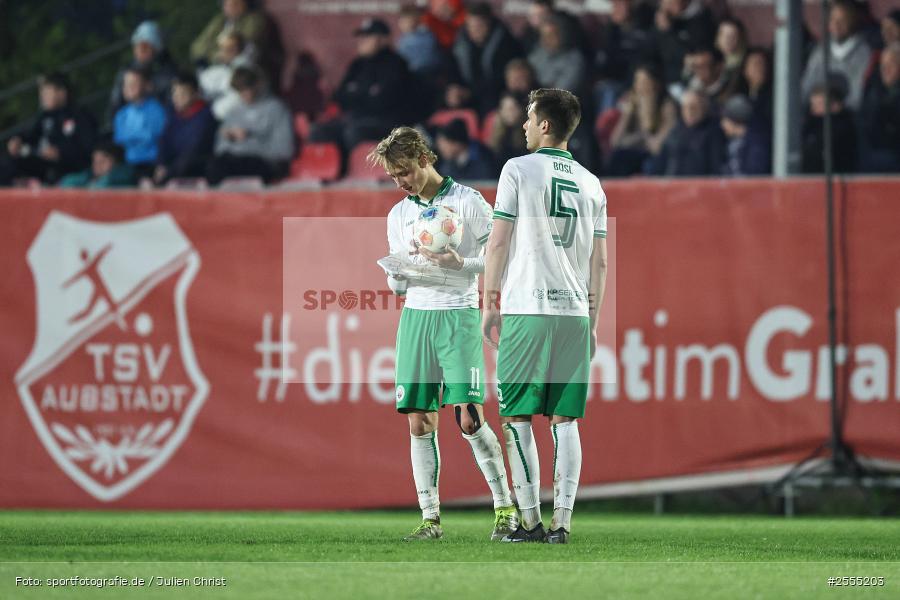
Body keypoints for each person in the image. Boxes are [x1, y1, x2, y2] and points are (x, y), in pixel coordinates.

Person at [368, 126, 519, 542]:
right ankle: (430, 519)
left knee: (469, 418)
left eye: (402, 172)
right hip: (416, 317)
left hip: (458, 315)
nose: (399, 182)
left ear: (423, 158)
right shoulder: (399, 215)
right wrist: (395, 278)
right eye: (393, 176)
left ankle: (505, 509)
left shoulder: (468, 202)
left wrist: (459, 265)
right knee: (418, 421)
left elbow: (495, 259)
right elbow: (398, 285)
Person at [482, 88, 608, 544]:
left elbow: (497, 243)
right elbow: (601, 263)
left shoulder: (517, 169)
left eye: (529, 118)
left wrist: (490, 302)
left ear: (545, 126)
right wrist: (592, 322)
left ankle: (530, 522)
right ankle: (564, 524)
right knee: (565, 422)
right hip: (574, 314)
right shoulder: (593, 183)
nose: (524, 126)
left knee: (516, 417)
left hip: (528, 308)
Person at [310, 18, 414, 154]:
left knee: (353, 132)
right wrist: (365, 95)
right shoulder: (357, 64)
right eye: (361, 36)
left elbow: (384, 101)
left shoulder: (396, 64)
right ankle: (331, 173)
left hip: (386, 123)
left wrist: (355, 94)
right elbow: (339, 97)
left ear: (384, 39)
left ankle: (358, 172)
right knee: (319, 130)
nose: (362, 41)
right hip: (355, 119)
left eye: (368, 36)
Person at [1, 72, 95, 185]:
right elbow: (31, 136)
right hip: (46, 165)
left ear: (62, 93)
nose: (42, 97)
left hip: (71, 168)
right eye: (41, 93)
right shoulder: (45, 116)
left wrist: (60, 153)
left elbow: (88, 148)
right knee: (8, 162)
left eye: (46, 93)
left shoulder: (80, 116)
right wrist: (18, 141)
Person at [206, 66, 294, 185]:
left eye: (247, 88)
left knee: (231, 169)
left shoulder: (277, 109)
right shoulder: (234, 112)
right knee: (211, 166)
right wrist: (228, 138)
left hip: (263, 162)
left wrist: (249, 136)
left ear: (258, 84)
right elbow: (220, 148)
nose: (244, 94)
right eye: (239, 90)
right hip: (231, 160)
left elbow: (284, 151)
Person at [607, 63, 678, 176]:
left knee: (651, 164)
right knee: (617, 158)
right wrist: (627, 116)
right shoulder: (632, 105)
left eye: (644, 82)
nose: (639, 87)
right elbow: (614, 143)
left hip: (658, 157)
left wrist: (646, 116)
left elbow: (656, 148)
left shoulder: (667, 106)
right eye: (637, 82)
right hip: (635, 153)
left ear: (656, 84)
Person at [451, 2, 522, 114]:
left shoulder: (505, 42)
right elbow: (453, 67)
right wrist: (455, 88)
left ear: (489, 24)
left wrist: (471, 92)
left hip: (495, 94)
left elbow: (500, 79)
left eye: (479, 26)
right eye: (470, 26)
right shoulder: (461, 42)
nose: (474, 31)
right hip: (467, 92)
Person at [801, 0, 873, 110]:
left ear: (852, 21)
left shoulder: (864, 53)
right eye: (833, 19)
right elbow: (806, 86)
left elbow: (858, 94)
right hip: (817, 117)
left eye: (842, 20)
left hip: (848, 119)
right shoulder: (820, 51)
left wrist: (838, 107)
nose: (836, 24)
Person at [154, 73, 217, 185]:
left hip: (196, 165)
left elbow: (195, 149)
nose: (177, 98)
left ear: (196, 94)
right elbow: (164, 141)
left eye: (183, 94)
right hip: (174, 164)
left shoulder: (205, 117)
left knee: (184, 164)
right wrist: (161, 164)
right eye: (174, 93)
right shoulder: (172, 115)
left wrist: (168, 171)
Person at [108, 21, 177, 119]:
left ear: (156, 49)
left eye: (145, 46)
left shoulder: (168, 71)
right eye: (137, 46)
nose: (140, 50)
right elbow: (115, 106)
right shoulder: (126, 73)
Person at [113, 66, 167, 178]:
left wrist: (131, 138)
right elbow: (119, 141)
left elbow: (154, 137)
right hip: (127, 165)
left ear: (147, 86)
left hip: (151, 164)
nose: (128, 88)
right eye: (126, 84)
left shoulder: (157, 110)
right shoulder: (121, 114)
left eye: (134, 83)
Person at [655, 89, 725, 176]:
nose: (689, 112)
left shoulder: (714, 132)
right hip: (672, 184)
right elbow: (661, 162)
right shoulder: (676, 131)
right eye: (685, 108)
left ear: (704, 108)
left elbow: (716, 167)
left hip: (698, 185)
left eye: (694, 107)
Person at [858, 42, 900, 173]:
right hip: (873, 150)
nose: (885, 70)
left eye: (891, 64)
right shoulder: (873, 90)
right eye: (882, 65)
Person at [801, 77, 858, 173]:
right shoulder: (808, 127)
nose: (814, 109)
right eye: (813, 105)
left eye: (819, 104)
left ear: (835, 106)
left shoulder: (843, 128)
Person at [198, 31, 256, 120]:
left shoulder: (243, 70)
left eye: (222, 49)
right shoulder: (227, 65)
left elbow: (232, 104)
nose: (219, 53)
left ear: (234, 50)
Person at [528, 17, 587, 96]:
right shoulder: (537, 54)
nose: (546, 40)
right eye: (543, 35)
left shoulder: (574, 59)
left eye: (551, 35)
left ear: (562, 35)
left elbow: (560, 91)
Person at [719, 94, 771, 176]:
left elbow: (755, 173)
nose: (722, 125)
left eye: (725, 120)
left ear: (735, 119)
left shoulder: (757, 143)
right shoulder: (733, 141)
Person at [59, 141, 134, 189]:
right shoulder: (87, 176)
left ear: (115, 162)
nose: (97, 165)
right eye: (95, 161)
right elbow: (67, 182)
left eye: (102, 161)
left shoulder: (122, 178)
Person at [487, 92, 529, 166]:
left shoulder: (528, 134)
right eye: (505, 108)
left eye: (513, 108)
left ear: (521, 110)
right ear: (500, 111)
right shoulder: (496, 138)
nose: (509, 112)